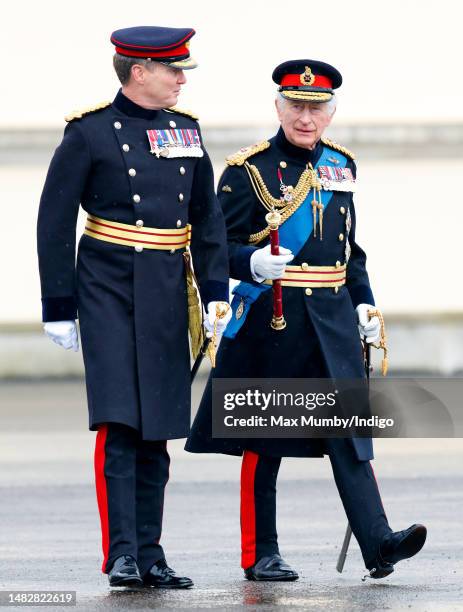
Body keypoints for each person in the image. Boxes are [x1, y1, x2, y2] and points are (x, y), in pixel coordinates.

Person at [186, 59, 426, 581]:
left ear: (331, 113)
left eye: (317, 108)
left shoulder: (342, 164)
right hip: (272, 320)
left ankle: (379, 543)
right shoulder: (246, 170)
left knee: (349, 433)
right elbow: (210, 246)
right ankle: (260, 552)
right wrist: (248, 263)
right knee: (264, 440)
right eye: (296, 106)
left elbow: (349, 250)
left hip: (332, 320)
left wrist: (364, 302)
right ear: (278, 107)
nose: (306, 117)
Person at [37, 26, 231, 589]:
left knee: (158, 431)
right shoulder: (89, 133)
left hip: (167, 289)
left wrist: (215, 293)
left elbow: (207, 219)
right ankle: (120, 553)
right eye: (172, 69)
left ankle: (151, 552)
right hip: (107, 286)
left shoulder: (186, 131)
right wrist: (58, 304)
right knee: (120, 422)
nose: (181, 78)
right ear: (138, 71)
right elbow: (54, 221)